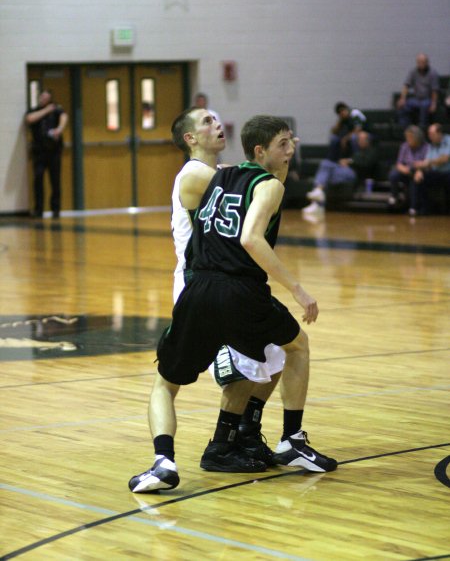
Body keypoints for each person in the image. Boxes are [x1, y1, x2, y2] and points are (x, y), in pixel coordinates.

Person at [128, 115, 337, 493]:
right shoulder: (207, 175)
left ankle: (184, 454)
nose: (292, 151)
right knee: (276, 355)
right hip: (219, 283)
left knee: (265, 359)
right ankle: (254, 441)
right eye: (283, 144)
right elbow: (251, 233)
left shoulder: (221, 174)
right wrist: (298, 289)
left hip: (205, 286)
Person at [303, 131, 378, 215]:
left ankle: (317, 199)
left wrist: (349, 161)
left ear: (368, 141)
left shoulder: (372, 151)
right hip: (343, 171)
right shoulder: (353, 147)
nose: (359, 141)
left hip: (354, 173)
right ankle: (317, 199)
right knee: (325, 166)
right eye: (358, 139)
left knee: (326, 169)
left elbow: (366, 163)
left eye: (362, 139)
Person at [25, 90, 68, 219]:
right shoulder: (34, 110)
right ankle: (39, 209)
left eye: (46, 97)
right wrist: (46, 111)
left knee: (55, 181)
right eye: (42, 97)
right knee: (38, 180)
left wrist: (59, 130)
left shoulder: (57, 110)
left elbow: (64, 117)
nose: (43, 99)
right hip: (39, 151)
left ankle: (56, 209)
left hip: (54, 151)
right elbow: (29, 119)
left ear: (50, 99)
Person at [408, 123, 450, 216]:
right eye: (429, 134)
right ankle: (419, 208)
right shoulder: (431, 145)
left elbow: (445, 159)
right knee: (418, 178)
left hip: (447, 173)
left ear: (440, 133)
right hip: (436, 173)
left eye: (432, 134)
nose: (430, 137)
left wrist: (427, 163)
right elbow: (426, 162)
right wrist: (419, 170)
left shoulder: (448, 140)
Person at [387, 125, 427, 210]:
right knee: (393, 174)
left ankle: (413, 207)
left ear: (417, 138)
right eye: (407, 137)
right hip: (406, 170)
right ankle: (395, 196)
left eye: (410, 137)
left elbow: (426, 163)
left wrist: (418, 169)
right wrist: (404, 169)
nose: (408, 139)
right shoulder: (404, 146)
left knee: (415, 180)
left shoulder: (426, 147)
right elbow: (399, 163)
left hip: (419, 171)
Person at [396, 53, 440, 131]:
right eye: (419, 62)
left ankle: (421, 130)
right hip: (416, 99)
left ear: (427, 62)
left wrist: (434, 103)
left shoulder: (433, 73)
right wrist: (402, 98)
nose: (421, 64)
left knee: (424, 106)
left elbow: (434, 90)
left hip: (427, 99)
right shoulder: (413, 71)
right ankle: (406, 129)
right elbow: (406, 85)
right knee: (403, 106)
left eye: (423, 62)